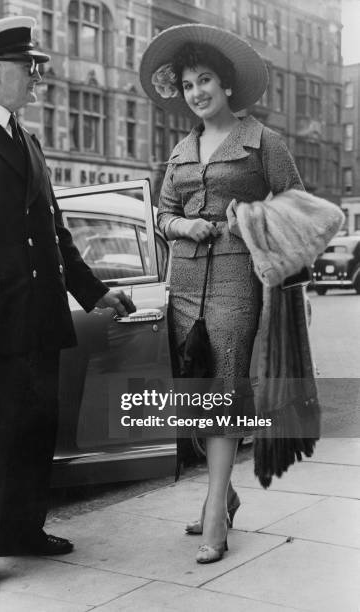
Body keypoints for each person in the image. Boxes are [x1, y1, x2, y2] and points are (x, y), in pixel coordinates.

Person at [0, 16, 134, 597]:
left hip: (38, 319)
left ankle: (23, 530)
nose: (38, 78)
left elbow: (55, 236)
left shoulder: (28, 142)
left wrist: (95, 293)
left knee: (36, 432)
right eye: (27, 68)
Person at [139, 24, 305, 563]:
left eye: (205, 80)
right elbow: (162, 213)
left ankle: (215, 512)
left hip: (237, 279)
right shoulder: (180, 149)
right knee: (192, 395)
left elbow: (296, 202)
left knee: (226, 389)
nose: (197, 92)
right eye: (187, 85)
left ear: (226, 86)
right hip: (184, 283)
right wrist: (181, 227)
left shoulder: (263, 141)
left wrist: (247, 218)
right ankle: (225, 492)